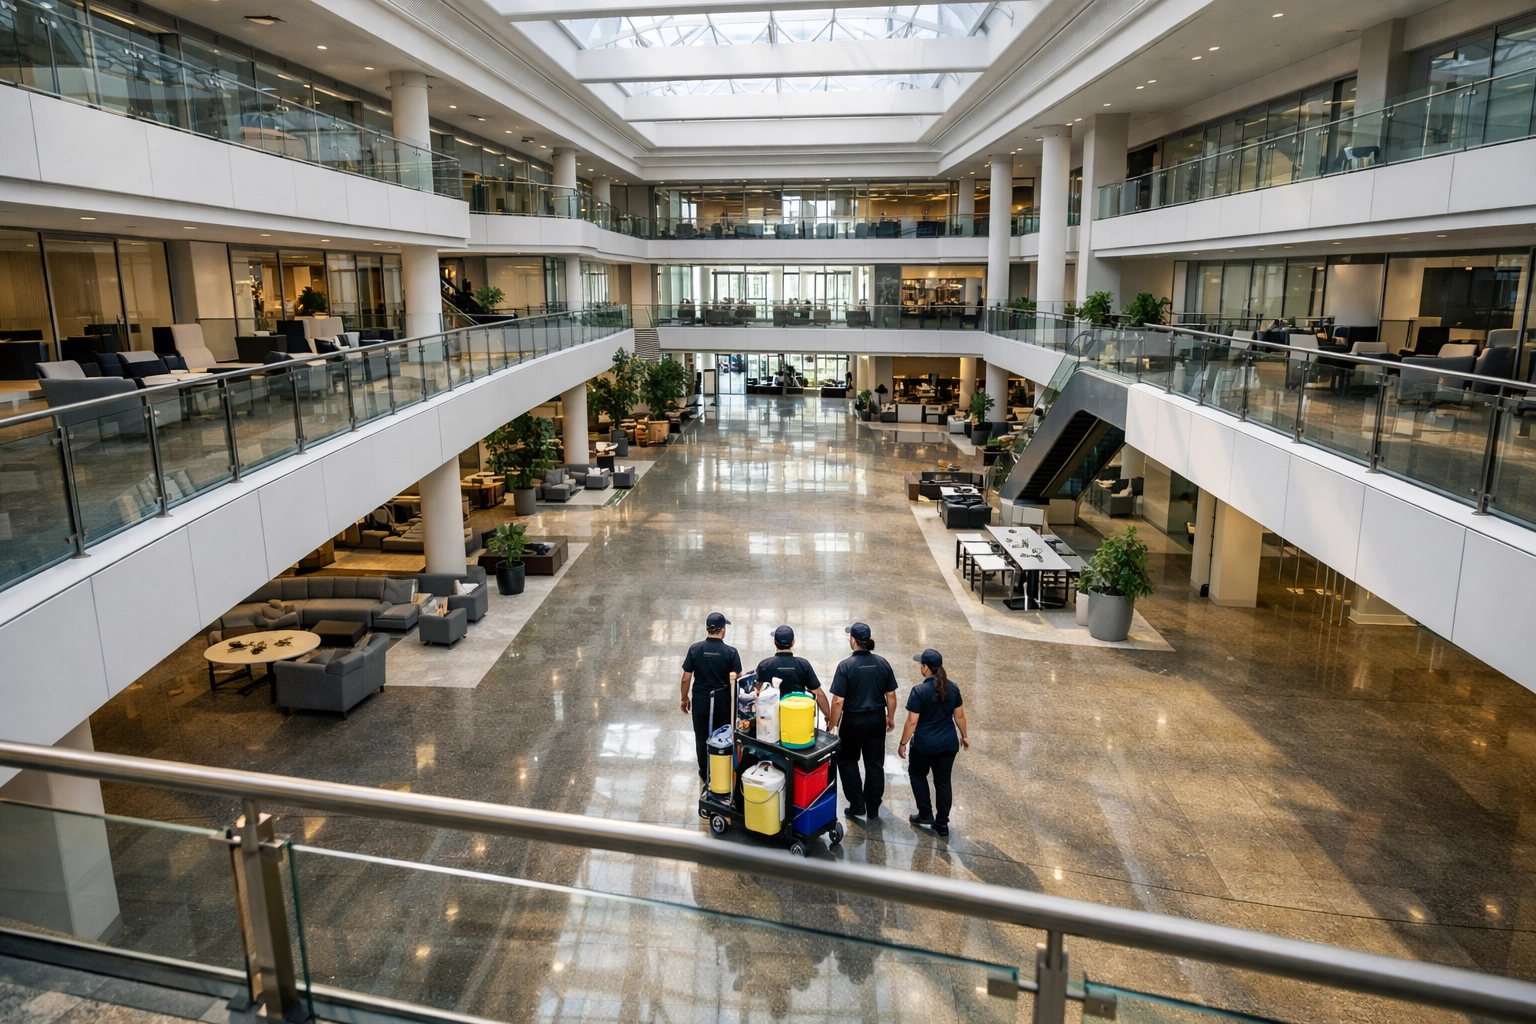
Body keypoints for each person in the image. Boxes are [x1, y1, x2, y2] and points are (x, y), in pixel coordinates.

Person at [827, 622, 898, 821]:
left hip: (853, 721)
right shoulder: (882, 663)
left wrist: (833, 724)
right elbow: (891, 695)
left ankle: (857, 804)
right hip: (876, 720)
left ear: (853, 640)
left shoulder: (846, 666)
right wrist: (890, 717)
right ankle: (873, 807)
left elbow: (838, 700)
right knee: (875, 764)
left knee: (848, 760)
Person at [899, 649, 968, 837]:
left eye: (921, 664)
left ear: (926, 668)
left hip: (925, 745)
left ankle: (925, 813)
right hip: (948, 743)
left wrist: (903, 742)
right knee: (943, 781)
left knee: (917, 773)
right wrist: (964, 735)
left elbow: (912, 722)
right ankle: (942, 823)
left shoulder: (919, 691)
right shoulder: (952, 687)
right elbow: (959, 715)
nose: (920, 667)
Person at [681, 612, 741, 789]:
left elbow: (686, 678)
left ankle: (705, 773)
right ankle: (721, 770)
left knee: (701, 738)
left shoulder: (695, 649)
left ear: (707, 628)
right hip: (722, 702)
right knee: (723, 736)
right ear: (723, 630)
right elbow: (737, 678)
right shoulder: (731, 652)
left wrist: (684, 699)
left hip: (701, 701)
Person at [754, 625, 830, 719]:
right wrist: (828, 717)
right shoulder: (803, 664)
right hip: (797, 718)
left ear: (774, 642)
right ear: (793, 643)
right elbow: (818, 693)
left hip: (771, 720)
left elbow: (756, 693)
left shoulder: (764, 665)